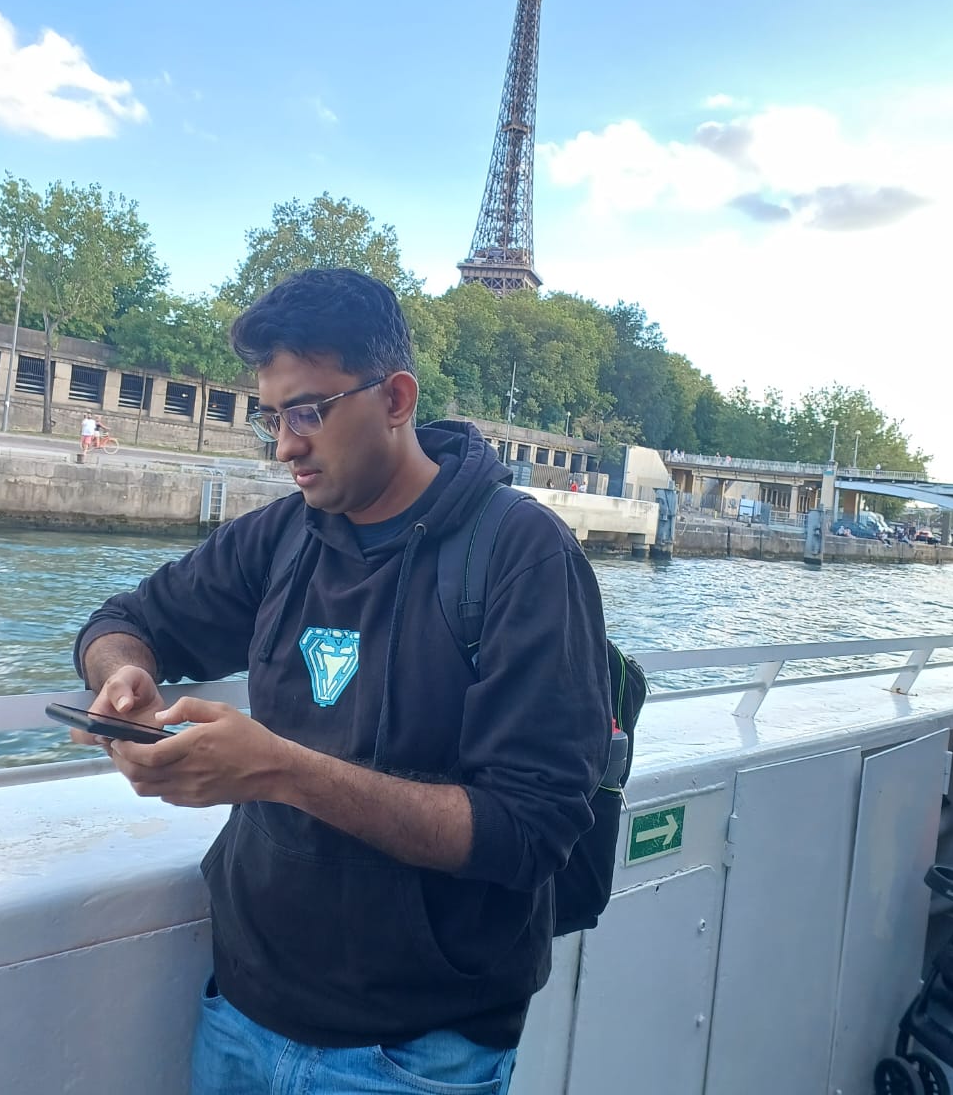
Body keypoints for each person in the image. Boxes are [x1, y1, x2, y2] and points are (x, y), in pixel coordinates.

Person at [70, 268, 610, 1095]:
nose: (284, 444)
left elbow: (531, 831)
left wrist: (283, 771)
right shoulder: (282, 535)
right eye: (271, 416)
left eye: (307, 412)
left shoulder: (522, 557)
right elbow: (120, 619)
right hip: (240, 1014)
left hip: (419, 1056)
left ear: (395, 399)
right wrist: (126, 680)